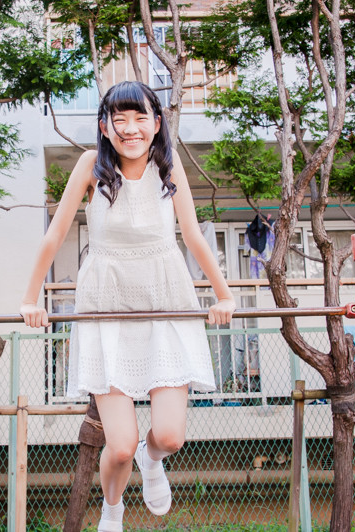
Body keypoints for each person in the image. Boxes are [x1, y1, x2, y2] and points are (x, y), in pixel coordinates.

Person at [20, 81, 235, 531]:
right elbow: (55, 234)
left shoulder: (167, 166)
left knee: (170, 437)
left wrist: (224, 294)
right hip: (107, 307)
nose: (131, 128)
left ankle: (150, 459)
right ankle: (112, 509)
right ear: (105, 126)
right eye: (120, 119)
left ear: (156, 124)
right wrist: (30, 298)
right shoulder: (91, 166)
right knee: (118, 446)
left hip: (164, 302)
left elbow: (193, 235)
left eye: (140, 118)